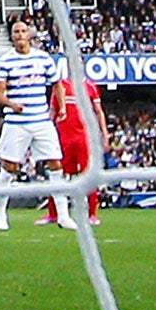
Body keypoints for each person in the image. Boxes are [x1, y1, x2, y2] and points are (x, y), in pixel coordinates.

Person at [0, 17, 68, 231]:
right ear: (12, 37)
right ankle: (0, 214)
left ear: (30, 34)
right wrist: (11, 104)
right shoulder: (6, 61)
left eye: (23, 31)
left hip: (41, 120)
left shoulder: (43, 59)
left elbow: (57, 85)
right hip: (17, 123)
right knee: (10, 167)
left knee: (55, 164)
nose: (19, 35)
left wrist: (61, 107)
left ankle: (63, 215)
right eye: (16, 32)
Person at [50, 63, 109, 227]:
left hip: (84, 137)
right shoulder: (60, 85)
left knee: (88, 174)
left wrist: (104, 134)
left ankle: (92, 214)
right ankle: (53, 214)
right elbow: (52, 111)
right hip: (63, 138)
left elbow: (98, 111)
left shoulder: (90, 86)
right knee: (57, 173)